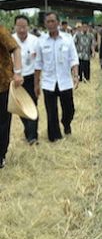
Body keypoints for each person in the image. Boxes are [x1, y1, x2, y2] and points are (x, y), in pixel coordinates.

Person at [34, 12, 80, 142]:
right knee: (51, 112)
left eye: (53, 21)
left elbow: (73, 59)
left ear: (58, 22)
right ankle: (55, 137)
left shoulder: (67, 39)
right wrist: (36, 84)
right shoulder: (41, 41)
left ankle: (66, 123)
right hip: (48, 82)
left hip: (65, 81)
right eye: (48, 22)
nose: (50, 24)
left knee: (69, 109)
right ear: (45, 24)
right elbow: (38, 64)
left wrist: (75, 76)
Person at [13, 15, 40, 144]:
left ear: (28, 27)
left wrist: (38, 81)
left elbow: (39, 61)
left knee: (33, 105)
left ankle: (33, 136)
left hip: (30, 78)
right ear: (15, 27)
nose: (22, 30)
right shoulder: (10, 40)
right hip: (15, 80)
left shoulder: (35, 41)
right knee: (21, 107)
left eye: (24, 27)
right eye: (19, 27)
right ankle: (28, 131)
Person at [0, 25, 23, 168]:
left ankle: (1, 154)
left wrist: (18, 72)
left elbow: (16, 48)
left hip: (2, 84)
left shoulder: (1, 30)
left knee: (2, 121)